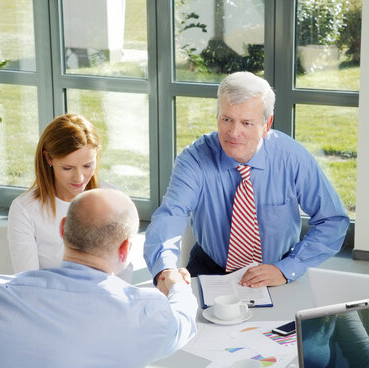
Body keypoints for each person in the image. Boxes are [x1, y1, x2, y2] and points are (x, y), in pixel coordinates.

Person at [0, 188, 198, 368]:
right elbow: (184, 320)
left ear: (62, 229)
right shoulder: (145, 312)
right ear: (125, 249)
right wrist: (177, 284)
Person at [144, 71, 349, 289]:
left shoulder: (292, 157)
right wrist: (165, 269)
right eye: (227, 119)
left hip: (277, 271)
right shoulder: (195, 158)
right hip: (210, 269)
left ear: (266, 124)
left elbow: (333, 220)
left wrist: (287, 267)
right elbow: (171, 214)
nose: (234, 132)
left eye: (247, 123)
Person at [7, 113, 133, 281]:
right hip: (47, 303)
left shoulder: (112, 200)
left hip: (102, 303)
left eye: (88, 165)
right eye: (67, 168)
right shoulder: (25, 209)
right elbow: (27, 282)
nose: (79, 178)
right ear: (48, 158)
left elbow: (123, 273)